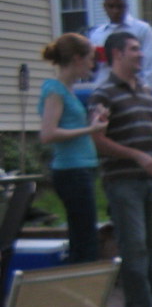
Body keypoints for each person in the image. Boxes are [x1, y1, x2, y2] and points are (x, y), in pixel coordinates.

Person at [89, 32, 152, 307]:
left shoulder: (146, 92)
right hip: (122, 182)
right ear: (117, 54)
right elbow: (96, 139)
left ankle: (149, 299)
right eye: (134, 49)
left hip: (150, 178)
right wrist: (135, 155)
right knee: (133, 244)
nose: (140, 54)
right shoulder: (103, 94)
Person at [38, 33, 109, 263]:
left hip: (81, 169)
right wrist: (89, 130)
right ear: (77, 58)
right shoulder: (55, 90)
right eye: (90, 59)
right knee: (85, 239)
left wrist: (94, 121)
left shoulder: (69, 91)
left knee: (83, 235)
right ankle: (82, 290)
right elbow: (48, 134)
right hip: (71, 171)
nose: (92, 65)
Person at [89, 0, 152, 91]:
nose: (116, 11)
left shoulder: (142, 29)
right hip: (103, 90)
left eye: (120, 6)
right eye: (111, 6)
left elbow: (151, 62)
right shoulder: (97, 34)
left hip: (133, 91)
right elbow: (95, 69)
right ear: (104, 7)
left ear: (126, 6)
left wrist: (146, 89)